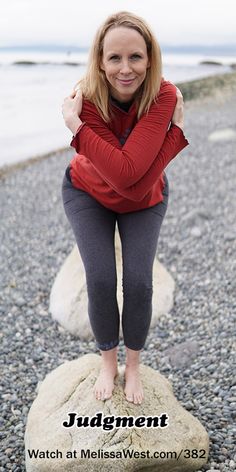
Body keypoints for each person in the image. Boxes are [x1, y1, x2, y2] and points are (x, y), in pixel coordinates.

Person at [61, 11, 189, 405]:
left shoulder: (163, 95)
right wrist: (175, 137)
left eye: (135, 57)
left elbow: (131, 179)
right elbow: (121, 175)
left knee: (138, 282)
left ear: (150, 58)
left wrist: (77, 131)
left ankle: (132, 366)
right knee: (99, 280)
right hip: (87, 194)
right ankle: (107, 363)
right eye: (114, 58)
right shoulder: (86, 99)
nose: (125, 68)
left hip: (145, 200)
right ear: (100, 60)